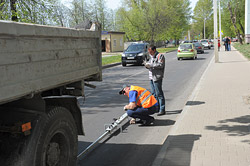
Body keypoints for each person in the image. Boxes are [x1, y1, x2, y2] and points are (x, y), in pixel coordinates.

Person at [145, 45, 166, 116]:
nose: (150, 53)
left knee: (159, 93)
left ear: (154, 50)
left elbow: (161, 65)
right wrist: (146, 65)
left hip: (157, 77)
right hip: (151, 77)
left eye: (150, 51)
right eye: (149, 52)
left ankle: (162, 109)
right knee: (154, 94)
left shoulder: (160, 56)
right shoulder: (150, 56)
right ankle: (157, 107)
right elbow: (149, 64)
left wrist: (151, 65)